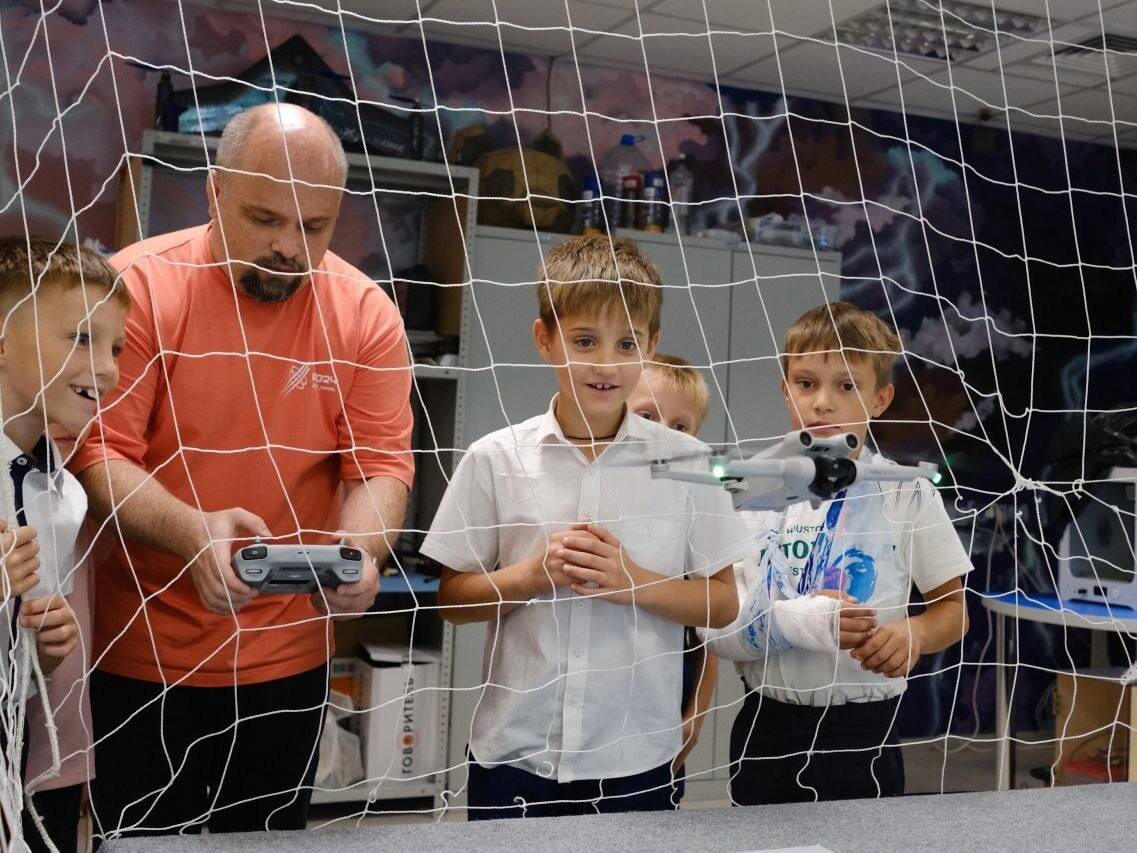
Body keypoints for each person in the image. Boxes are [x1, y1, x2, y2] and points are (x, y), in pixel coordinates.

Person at [70, 104, 414, 839]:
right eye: (264, 219)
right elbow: (97, 455)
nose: (288, 247)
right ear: (215, 192)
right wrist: (192, 532)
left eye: (314, 227)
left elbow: (379, 466)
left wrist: (361, 553)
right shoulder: (136, 289)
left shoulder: (366, 314)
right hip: (135, 655)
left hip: (289, 665)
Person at [423, 235, 751, 819]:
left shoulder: (690, 463)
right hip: (514, 753)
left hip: (635, 756)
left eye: (627, 343)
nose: (606, 364)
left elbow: (723, 605)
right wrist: (531, 575)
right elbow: (452, 601)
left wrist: (634, 582)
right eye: (583, 341)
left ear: (651, 344)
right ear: (544, 339)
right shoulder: (494, 458)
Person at [701, 301, 971, 805]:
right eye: (806, 383)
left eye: (847, 386)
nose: (823, 403)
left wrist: (913, 634)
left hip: (865, 733)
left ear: (881, 398)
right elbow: (717, 622)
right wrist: (793, 622)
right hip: (767, 724)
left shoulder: (908, 492)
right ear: (786, 390)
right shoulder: (749, 492)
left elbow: (954, 611)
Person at [0, 236, 126, 851]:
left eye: (116, 347)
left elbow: (19, 681)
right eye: (81, 338)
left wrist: (42, 655)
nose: (107, 368)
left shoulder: (63, 495)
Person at [625, 353, 717, 799]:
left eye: (680, 427)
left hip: (659, 716)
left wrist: (694, 715)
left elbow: (710, 631)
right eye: (647, 417)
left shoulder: (695, 508)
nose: (662, 434)